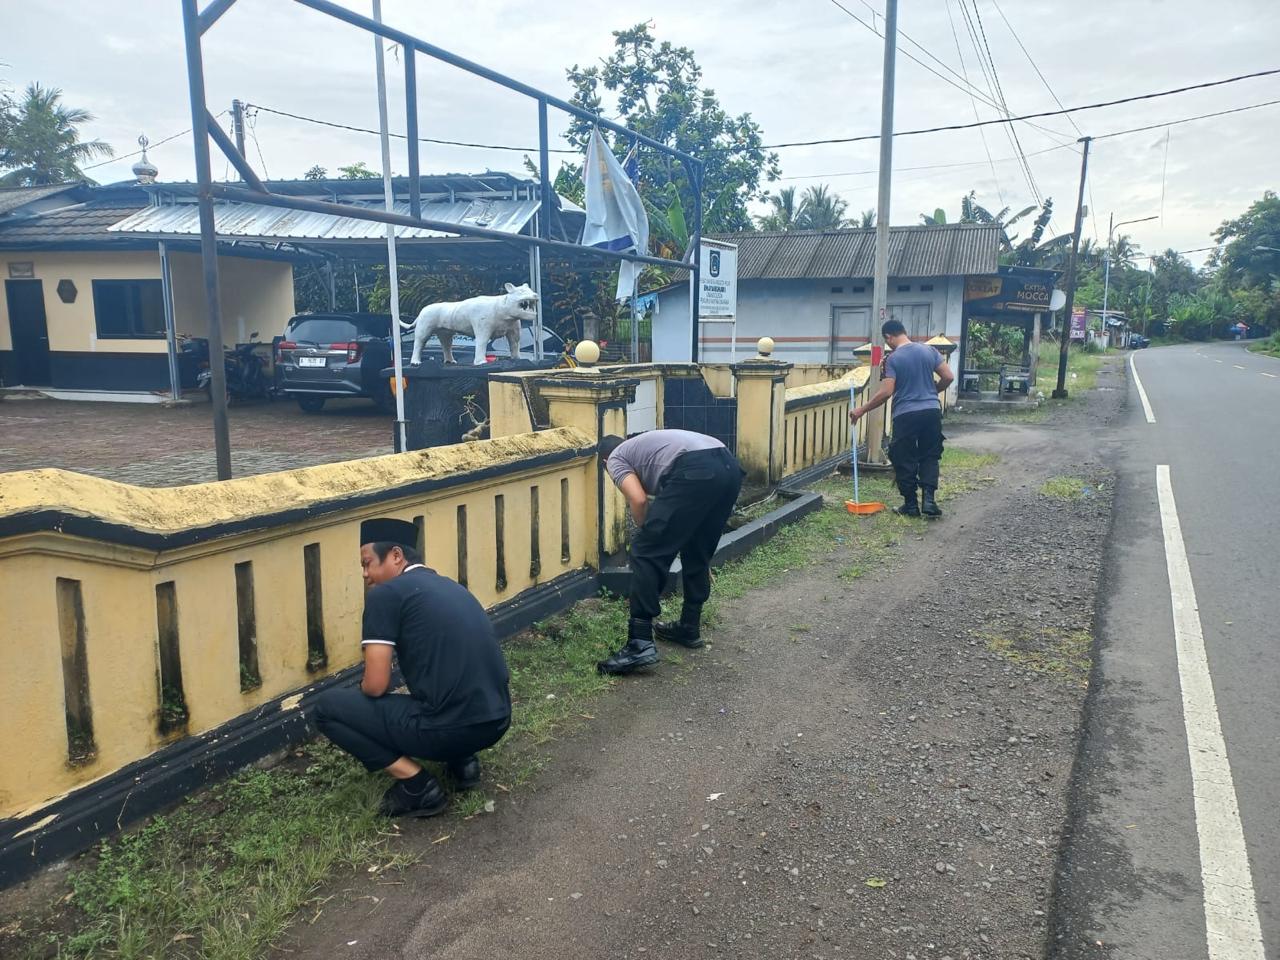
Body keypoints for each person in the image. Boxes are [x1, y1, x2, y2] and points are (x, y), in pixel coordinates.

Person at [311, 518, 511, 818]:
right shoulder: (450, 586)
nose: (365, 575)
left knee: (327, 708)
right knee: (441, 680)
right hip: (497, 720)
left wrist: (361, 695)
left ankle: (418, 786)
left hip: (452, 728)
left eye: (367, 564)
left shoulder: (385, 595)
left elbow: (376, 685)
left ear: (396, 556)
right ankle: (464, 764)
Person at [595, 430, 744, 675]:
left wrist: (647, 536)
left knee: (644, 550)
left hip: (697, 469)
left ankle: (640, 642)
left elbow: (639, 500)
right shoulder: (644, 448)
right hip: (728, 466)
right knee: (696, 547)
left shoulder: (615, 458)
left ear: (604, 461)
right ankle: (689, 626)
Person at [849, 320, 955, 518]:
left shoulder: (892, 359)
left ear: (888, 337)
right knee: (930, 455)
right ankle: (929, 502)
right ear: (904, 332)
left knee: (904, 457)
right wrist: (933, 392)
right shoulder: (930, 351)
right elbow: (948, 376)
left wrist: (861, 410)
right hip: (931, 411)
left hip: (906, 414)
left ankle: (911, 505)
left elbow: (886, 392)